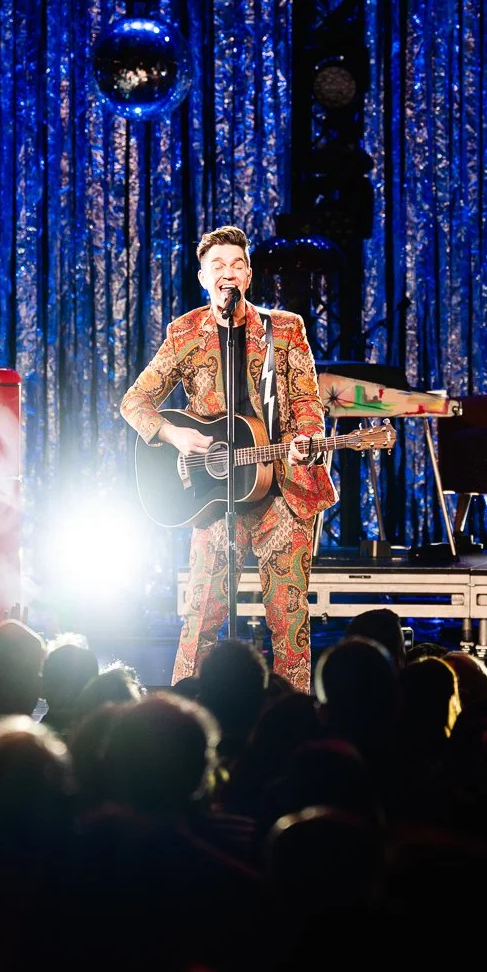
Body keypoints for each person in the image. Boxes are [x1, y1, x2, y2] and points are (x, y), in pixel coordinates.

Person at [120, 225, 332, 691]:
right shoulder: (185, 333)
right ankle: (185, 713)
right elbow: (134, 401)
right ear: (203, 277)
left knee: (289, 620)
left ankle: (291, 715)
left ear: (249, 275)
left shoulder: (285, 329)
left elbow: (307, 402)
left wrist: (307, 437)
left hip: (281, 488)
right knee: (201, 617)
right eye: (217, 265)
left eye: (237, 264)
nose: (228, 273)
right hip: (216, 493)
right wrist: (174, 434)